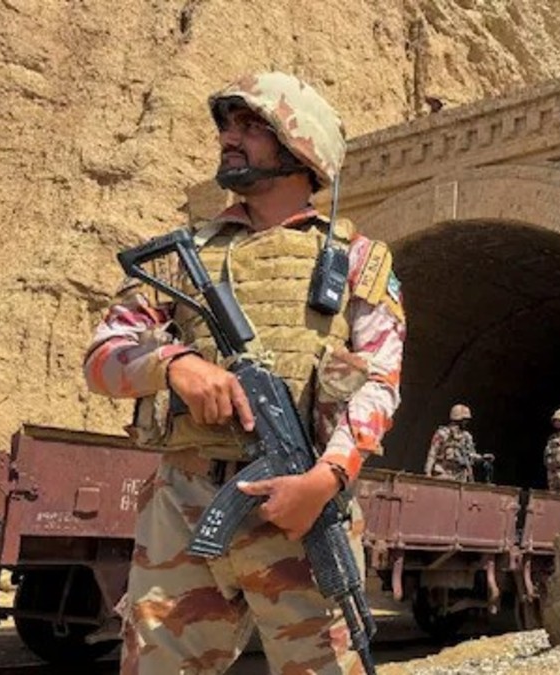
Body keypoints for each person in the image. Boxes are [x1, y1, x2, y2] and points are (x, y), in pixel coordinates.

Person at [82, 71, 406, 674]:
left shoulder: (357, 260)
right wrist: (174, 364)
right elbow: (103, 358)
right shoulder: (183, 258)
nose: (231, 137)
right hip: (182, 509)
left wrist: (324, 482)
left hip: (303, 509)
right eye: (227, 125)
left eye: (252, 125)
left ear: (301, 145)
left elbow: (381, 385)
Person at [424, 403, 494, 481]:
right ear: (458, 420)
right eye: (464, 420)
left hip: (460, 476)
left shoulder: (467, 436)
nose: (466, 423)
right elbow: (432, 453)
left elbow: (470, 455)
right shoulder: (442, 434)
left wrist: (482, 458)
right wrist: (428, 473)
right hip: (443, 474)